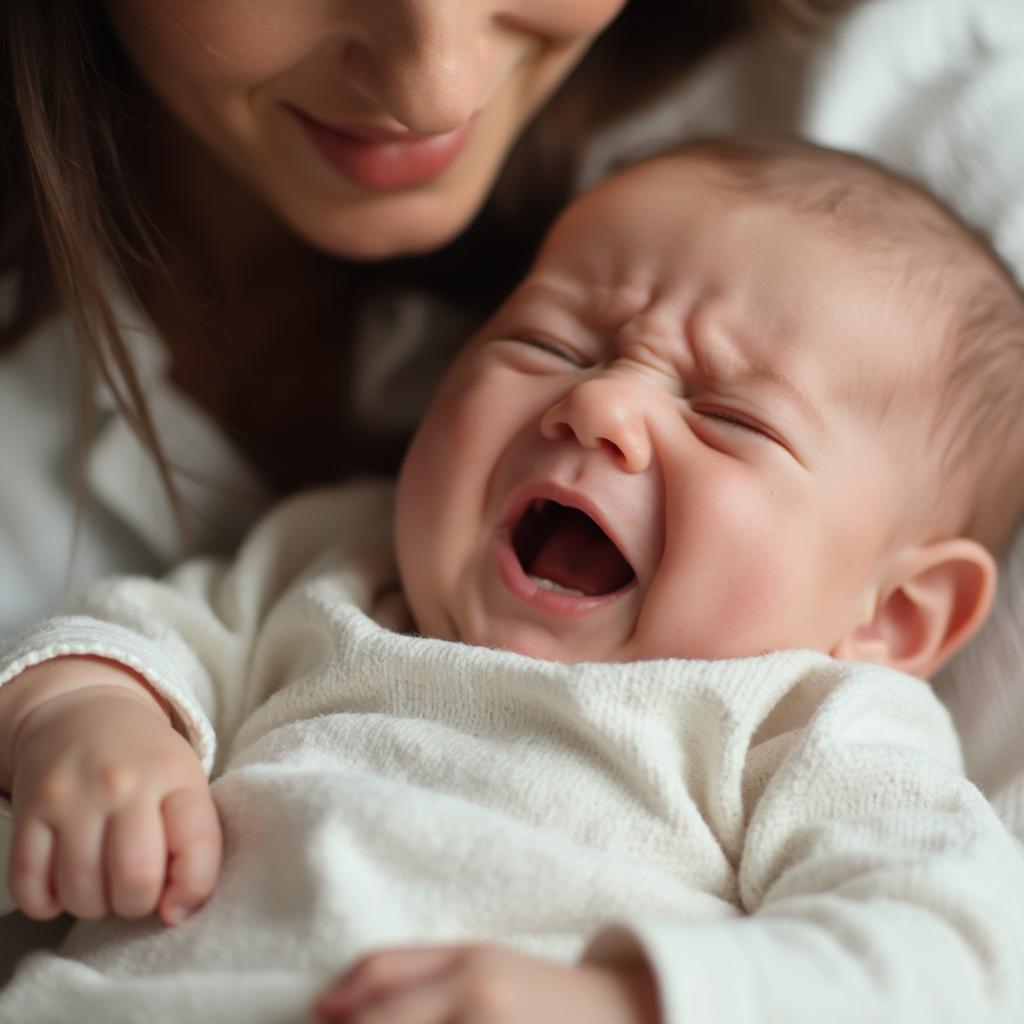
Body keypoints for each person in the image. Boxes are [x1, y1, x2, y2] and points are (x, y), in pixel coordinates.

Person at [0, 137, 1023, 1024]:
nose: (603, 405)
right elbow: (138, 630)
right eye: (549, 342)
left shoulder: (811, 726)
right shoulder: (340, 561)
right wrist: (90, 719)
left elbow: (955, 958)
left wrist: (631, 1001)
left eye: (733, 417)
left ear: (891, 614)